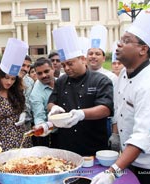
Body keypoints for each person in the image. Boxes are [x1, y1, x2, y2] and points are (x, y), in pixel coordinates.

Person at [91, 4, 150, 184]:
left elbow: (143, 136)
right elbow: (120, 109)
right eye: (120, 40)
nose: (119, 44)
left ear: (143, 49)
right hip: (130, 158)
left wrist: (112, 171)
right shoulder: (123, 74)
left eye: (126, 41)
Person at [47, 25, 113, 156]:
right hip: (66, 144)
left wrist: (81, 114)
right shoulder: (60, 81)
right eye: (63, 65)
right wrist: (53, 108)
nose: (66, 68)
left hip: (93, 144)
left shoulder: (101, 80)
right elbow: (51, 102)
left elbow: (105, 109)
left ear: (83, 59)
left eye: (70, 64)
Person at [0, 38, 32, 151]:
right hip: (3, 141)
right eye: (6, 78)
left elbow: (23, 107)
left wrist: (23, 113)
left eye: (13, 79)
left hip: (22, 139)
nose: (9, 82)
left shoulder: (16, 91)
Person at [29, 57, 55, 147]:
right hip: (51, 134)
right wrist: (40, 126)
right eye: (39, 73)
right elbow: (38, 115)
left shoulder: (62, 81)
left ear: (53, 69)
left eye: (46, 71)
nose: (44, 75)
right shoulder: (35, 93)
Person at [17, 55, 34, 129]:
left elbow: (31, 101)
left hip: (26, 124)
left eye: (28, 66)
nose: (25, 69)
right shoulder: (8, 80)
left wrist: (25, 113)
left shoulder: (30, 82)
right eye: (23, 65)